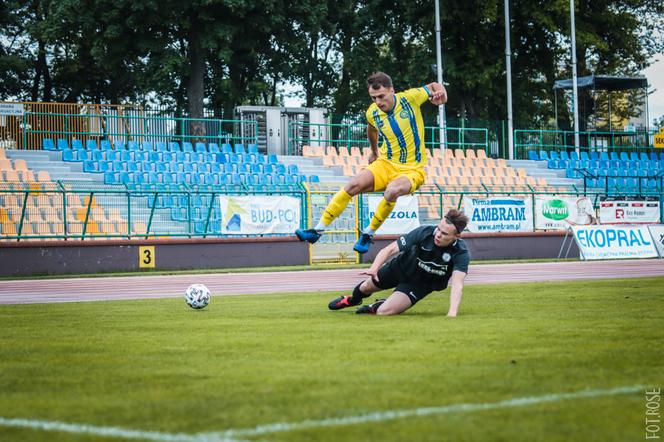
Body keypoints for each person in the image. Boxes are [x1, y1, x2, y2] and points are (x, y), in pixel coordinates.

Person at [295, 71, 447, 254]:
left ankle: (368, 233)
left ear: (392, 90)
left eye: (381, 96)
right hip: (385, 163)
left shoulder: (410, 99)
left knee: (392, 190)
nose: (378, 102)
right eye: (373, 98)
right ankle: (316, 230)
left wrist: (442, 94)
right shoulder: (372, 112)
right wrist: (374, 151)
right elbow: (371, 129)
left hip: (412, 169)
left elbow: (433, 86)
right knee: (352, 185)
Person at [327, 209, 470, 316]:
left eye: (444, 233)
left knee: (384, 312)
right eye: (439, 228)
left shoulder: (461, 252)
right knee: (365, 287)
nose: (438, 234)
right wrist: (374, 268)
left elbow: (457, 284)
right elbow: (389, 249)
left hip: (420, 284)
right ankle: (352, 300)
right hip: (399, 268)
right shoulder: (424, 232)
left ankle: (376, 305)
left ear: (457, 236)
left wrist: (452, 313)